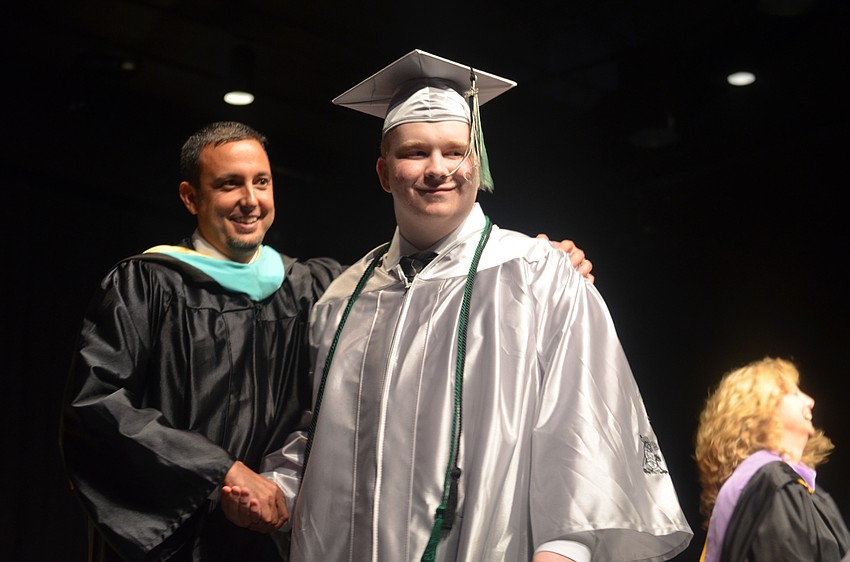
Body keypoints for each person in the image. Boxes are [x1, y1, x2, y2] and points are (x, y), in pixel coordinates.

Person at [225, 49, 692, 561]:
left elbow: (585, 425)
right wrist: (278, 491)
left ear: (478, 161)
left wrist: (566, 550)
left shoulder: (537, 275)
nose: (437, 169)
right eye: (415, 153)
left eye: (455, 151)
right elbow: (323, 437)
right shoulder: (344, 299)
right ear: (384, 173)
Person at [59, 119, 594, 562]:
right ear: (190, 196)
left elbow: (419, 308)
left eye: (262, 182)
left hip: (271, 536)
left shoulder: (315, 287)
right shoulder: (145, 284)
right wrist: (218, 471)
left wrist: (547, 262)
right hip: (178, 534)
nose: (250, 200)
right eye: (229, 185)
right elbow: (96, 406)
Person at [694, 357, 850, 562]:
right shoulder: (770, 481)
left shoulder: (789, 486)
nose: (810, 401)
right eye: (794, 393)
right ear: (761, 409)